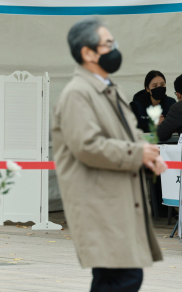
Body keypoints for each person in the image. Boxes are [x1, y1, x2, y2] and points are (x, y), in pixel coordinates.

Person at [52, 17, 166, 292]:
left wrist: (148, 153)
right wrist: (136, 153)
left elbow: (130, 133)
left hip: (117, 203)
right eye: (107, 44)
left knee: (116, 279)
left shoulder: (109, 89)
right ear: (87, 52)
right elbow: (87, 146)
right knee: (122, 279)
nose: (114, 49)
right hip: (100, 204)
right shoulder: (77, 94)